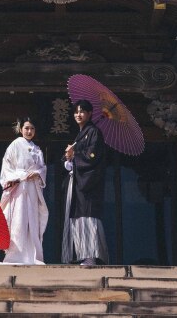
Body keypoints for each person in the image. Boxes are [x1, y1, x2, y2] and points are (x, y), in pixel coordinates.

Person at [61, 99, 109, 266]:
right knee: (77, 217)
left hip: (88, 184)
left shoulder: (94, 132)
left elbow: (92, 157)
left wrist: (74, 156)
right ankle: (81, 254)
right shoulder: (81, 134)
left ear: (89, 114)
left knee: (88, 217)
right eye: (76, 111)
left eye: (82, 111)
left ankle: (91, 256)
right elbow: (72, 160)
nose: (78, 115)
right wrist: (68, 157)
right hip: (78, 183)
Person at [0, 117, 49, 264]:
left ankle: (32, 256)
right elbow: (7, 166)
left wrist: (38, 173)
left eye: (32, 129)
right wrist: (17, 177)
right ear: (21, 129)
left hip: (33, 187)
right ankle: (16, 255)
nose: (29, 131)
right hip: (19, 186)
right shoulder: (15, 145)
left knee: (32, 221)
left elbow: (42, 168)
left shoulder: (37, 148)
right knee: (18, 220)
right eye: (26, 128)